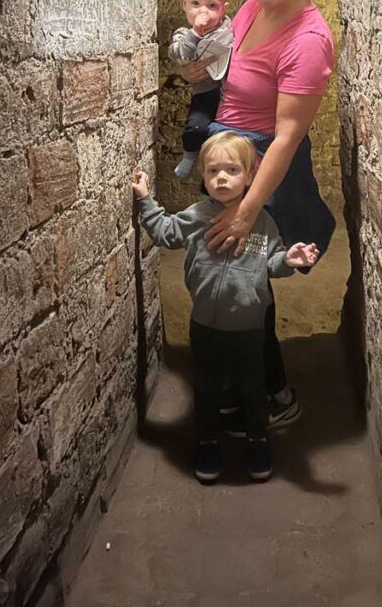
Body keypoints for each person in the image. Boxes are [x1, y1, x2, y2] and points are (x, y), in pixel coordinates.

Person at [176, 0, 336, 431]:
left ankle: (271, 391)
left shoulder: (307, 40)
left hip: (266, 166)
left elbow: (288, 136)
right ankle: (246, 382)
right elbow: (226, 71)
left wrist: (246, 211)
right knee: (236, 279)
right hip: (236, 157)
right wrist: (200, 72)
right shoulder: (246, 10)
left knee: (244, 275)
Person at [131, 131, 318, 484]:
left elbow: (271, 264)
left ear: (250, 176)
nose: (221, 178)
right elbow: (166, 233)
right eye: (213, 170)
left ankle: (258, 441)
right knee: (206, 387)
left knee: (252, 387)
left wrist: (289, 260)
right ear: (203, 176)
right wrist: (145, 201)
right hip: (205, 325)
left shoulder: (263, 221)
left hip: (250, 329)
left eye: (232, 170)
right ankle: (206, 442)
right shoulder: (197, 215)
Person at [167, 0, 233, 179]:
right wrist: (195, 33)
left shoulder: (228, 28)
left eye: (212, 6)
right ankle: (189, 155)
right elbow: (180, 55)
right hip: (206, 92)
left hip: (230, 93)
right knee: (195, 127)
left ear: (223, 9)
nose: (203, 12)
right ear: (183, 4)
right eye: (195, 4)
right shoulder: (184, 34)